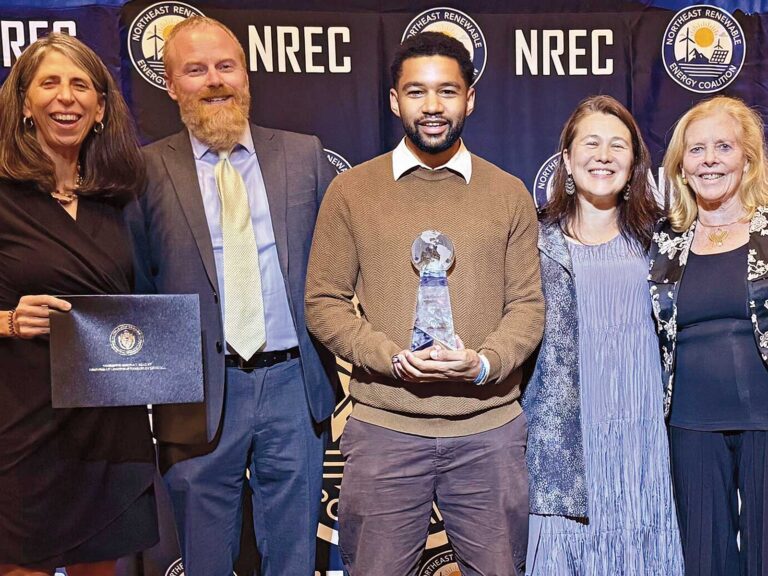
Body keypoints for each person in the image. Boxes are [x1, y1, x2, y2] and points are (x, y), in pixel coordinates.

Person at [305, 31, 544, 576]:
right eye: (416, 92)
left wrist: (485, 361)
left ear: (471, 98)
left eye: (447, 92)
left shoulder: (508, 193)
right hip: (385, 430)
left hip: (489, 432)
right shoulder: (351, 191)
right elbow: (324, 302)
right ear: (394, 100)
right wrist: (388, 355)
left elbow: (528, 306)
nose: (432, 107)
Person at [126, 16, 338, 576]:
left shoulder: (303, 155)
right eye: (195, 70)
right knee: (204, 561)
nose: (215, 80)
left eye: (226, 66)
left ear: (246, 75)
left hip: (294, 388)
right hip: (194, 393)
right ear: (171, 85)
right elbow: (135, 283)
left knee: (293, 558)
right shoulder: (144, 170)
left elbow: (337, 268)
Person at [0, 33, 157, 575]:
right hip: (23, 425)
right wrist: (9, 321)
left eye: (80, 85)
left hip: (109, 423)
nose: (65, 97)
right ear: (24, 103)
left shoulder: (117, 197)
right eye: (49, 83)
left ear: (100, 108)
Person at [523, 95, 684, 575]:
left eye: (619, 145)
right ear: (567, 159)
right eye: (591, 143)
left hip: (643, 442)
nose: (604, 155)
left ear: (634, 163)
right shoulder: (534, 241)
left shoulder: (663, 241)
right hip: (563, 444)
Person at [650, 95, 768, 575]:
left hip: (765, 418)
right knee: (704, 558)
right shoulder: (664, 239)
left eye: (724, 146)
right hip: (690, 423)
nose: (711, 160)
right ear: (681, 164)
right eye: (697, 150)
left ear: (748, 158)